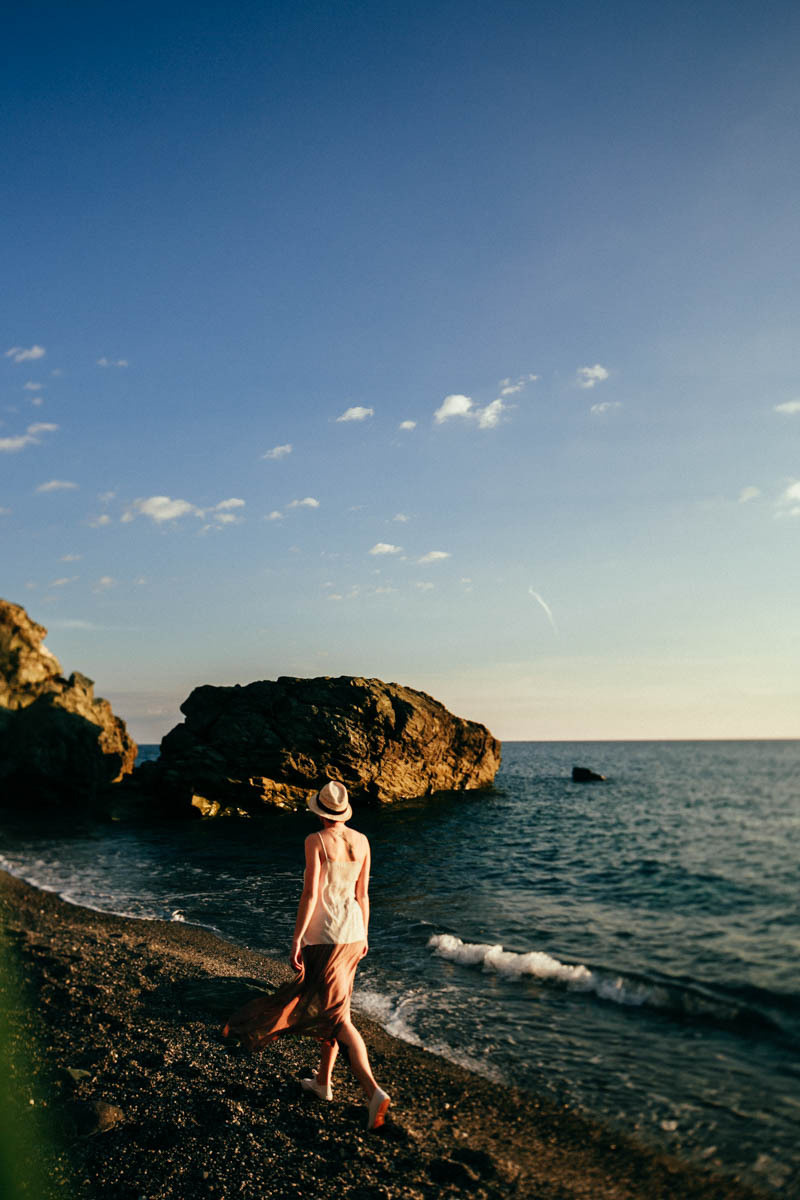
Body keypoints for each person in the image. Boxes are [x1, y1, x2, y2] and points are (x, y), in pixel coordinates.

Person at [222, 780, 391, 1131]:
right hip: (353, 934)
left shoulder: (315, 841)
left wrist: (297, 938)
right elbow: (364, 895)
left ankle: (372, 1090)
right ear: (342, 811)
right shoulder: (362, 841)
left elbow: (310, 895)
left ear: (320, 811)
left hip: (324, 937)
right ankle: (323, 1082)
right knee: (334, 1008)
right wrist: (365, 936)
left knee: (337, 1018)